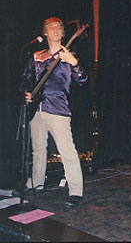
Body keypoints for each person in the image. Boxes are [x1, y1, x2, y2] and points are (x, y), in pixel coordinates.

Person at [15, 17, 87, 208]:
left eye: (59, 28)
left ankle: (76, 191)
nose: (55, 30)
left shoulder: (69, 55)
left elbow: (83, 80)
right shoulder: (37, 56)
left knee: (67, 151)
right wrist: (27, 94)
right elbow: (26, 80)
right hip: (36, 110)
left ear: (63, 33)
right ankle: (36, 184)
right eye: (51, 27)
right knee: (38, 150)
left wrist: (74, 63)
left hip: (58, 109)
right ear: (45, 32)